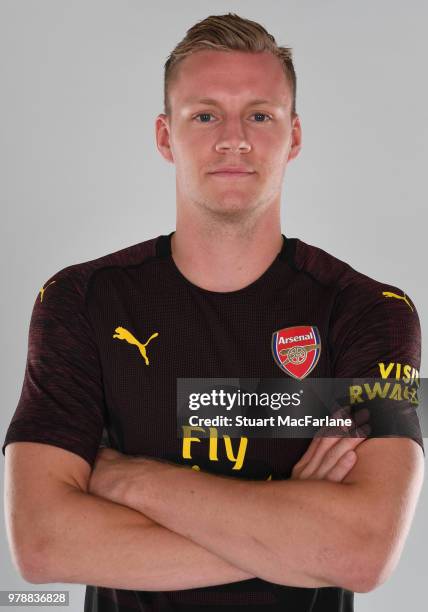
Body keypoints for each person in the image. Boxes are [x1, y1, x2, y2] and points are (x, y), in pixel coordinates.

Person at [2, 12, 424, 612]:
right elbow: (41, 543)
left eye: (260, 114)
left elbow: (364, 551)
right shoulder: (79, 302)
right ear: (164, 135)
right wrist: (294, 534)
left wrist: (127, 480)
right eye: (205, 115)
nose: (234, 138)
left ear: (294, 136)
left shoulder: (370, 313)